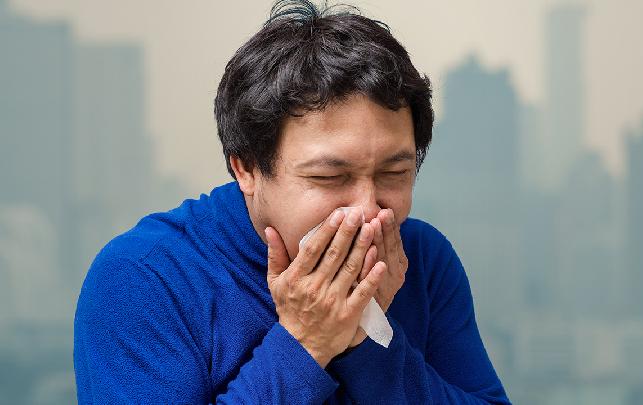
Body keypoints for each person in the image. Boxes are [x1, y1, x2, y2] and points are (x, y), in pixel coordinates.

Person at [73, 0, 511, 403]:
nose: (368, 209)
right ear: (245, 168)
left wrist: (367, 334)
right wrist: (306, 342)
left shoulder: (423, 257)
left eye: (394, 173)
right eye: (329, 177)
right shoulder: (143, 279)